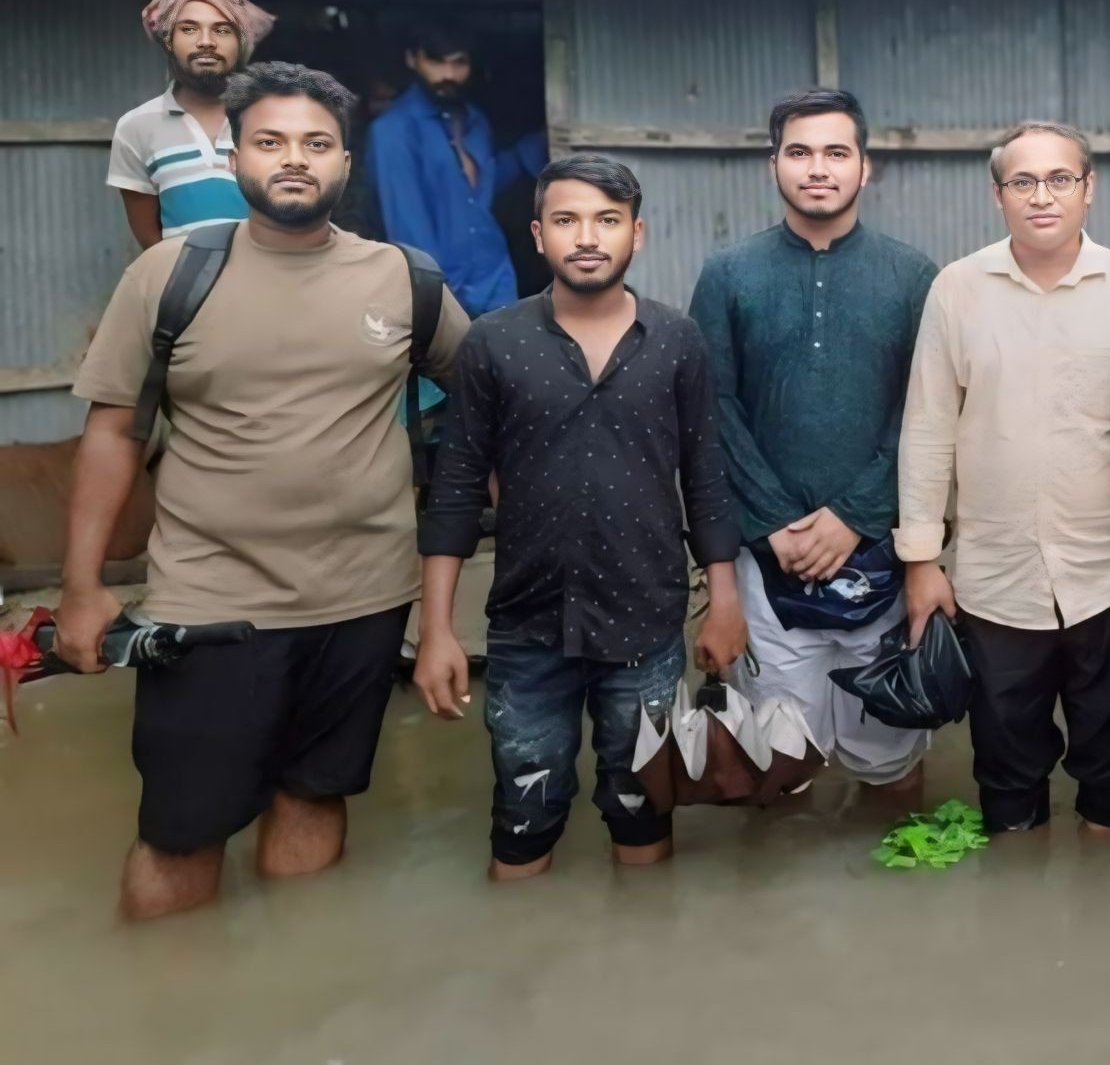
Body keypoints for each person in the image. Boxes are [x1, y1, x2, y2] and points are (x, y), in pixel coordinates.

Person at [55, 62, 470, 920]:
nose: (294, 159)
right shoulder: (171, 276)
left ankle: (292, 1001)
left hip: (363, 601)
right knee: (181, 831)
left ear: (345, 164)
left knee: (315, 799)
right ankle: (169, 1023)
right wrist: (82, 585)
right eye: (271, 141)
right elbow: (112, 434)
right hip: (213, 605)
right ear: (234, 155)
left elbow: (488, 394)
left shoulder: (404, 279)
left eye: (317, 143)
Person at [414, 153, 748, 879]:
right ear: (538, 235)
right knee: (523, 815)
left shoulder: (676, 340)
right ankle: (527, 975)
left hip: (647, 625)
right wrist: (436, 630)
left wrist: (724, 603)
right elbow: (456, 492)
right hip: (528, 627)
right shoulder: (493, 343)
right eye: (567, 220)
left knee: (643, 807)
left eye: (607, 220)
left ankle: (637, 973)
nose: (587, 237)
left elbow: (707, 479)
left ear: (639, 234)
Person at [897, 122, 1110, 835]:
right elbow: (927, 428)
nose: (1041, 196)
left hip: (1107, 573)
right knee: (1005, 773)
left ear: (1089, 189)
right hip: (993, 576)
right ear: (998, 194)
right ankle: (1017, 908)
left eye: (1059, 179)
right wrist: (922, 559)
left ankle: (1108, 909)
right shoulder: (957, 289)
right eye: (1023, 181)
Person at [689, 89, 938, 797]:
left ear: (867, 167)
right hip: (767, 559)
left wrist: (854, 515)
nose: (817, 168)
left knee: (890, 761)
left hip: (882, 553)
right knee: (772, 765)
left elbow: (921, 415)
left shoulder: (915, 276)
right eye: (799, 152)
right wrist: (773, 524)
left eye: (836, 152)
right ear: (774, 165)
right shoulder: (730, 273)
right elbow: (715, 408)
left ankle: (892, 907)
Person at [364, 21, 545, 317]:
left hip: (495, 278)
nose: (448, 75)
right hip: (444, 291)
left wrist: (534, 147)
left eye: (458, 63)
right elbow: (408, 228)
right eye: (436, 62)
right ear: (412, 59)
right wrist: (438, 301)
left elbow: (480, 188)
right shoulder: (393, 131)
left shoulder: (475, 122)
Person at [108, 0, 274, 247]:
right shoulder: (135, 127)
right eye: (188, 28)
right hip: (187, 288)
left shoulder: (274, 117)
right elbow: (151, 242)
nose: (206, 41)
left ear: (240, 42)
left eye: (222, 30)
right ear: (169, 40)